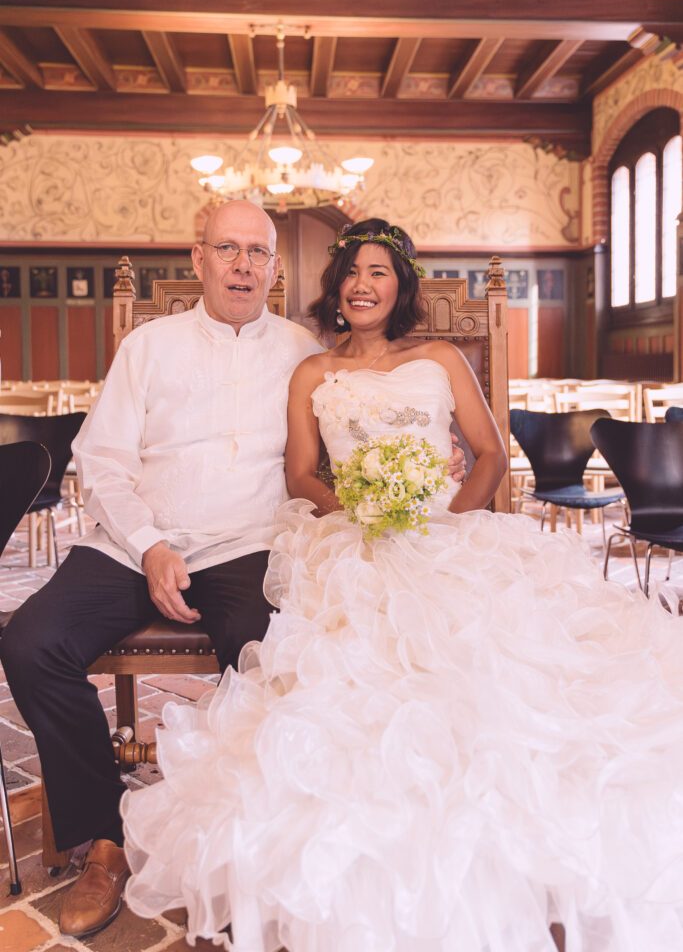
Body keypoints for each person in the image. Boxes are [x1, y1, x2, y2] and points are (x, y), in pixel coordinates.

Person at [122, 218, 683, 952]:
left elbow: (485, 455)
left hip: (446, 530)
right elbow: (299, 473)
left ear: (401, 286)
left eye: (379, 271)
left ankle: (504, 826)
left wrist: (446, 519)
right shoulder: (310, 372)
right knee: (359, 670)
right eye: (351, 270)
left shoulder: (442, 356)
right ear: (336, 285)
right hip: (350, 537)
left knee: (497, 661)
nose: (362, 283)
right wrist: (355, 514)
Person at [2, 202, 441, 940]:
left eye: (258, 254)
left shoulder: (303, 349)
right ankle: (104, 838)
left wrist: (429, 463)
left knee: (269, 650)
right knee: (31, 641)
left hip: (247, 541)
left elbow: (349, 434)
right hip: (133, 540)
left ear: (274, 268)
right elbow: (101, 459)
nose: (243, 265)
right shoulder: (148, 345)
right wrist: (148, 544)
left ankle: (250, 836)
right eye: (228, 249)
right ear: (197, 258)